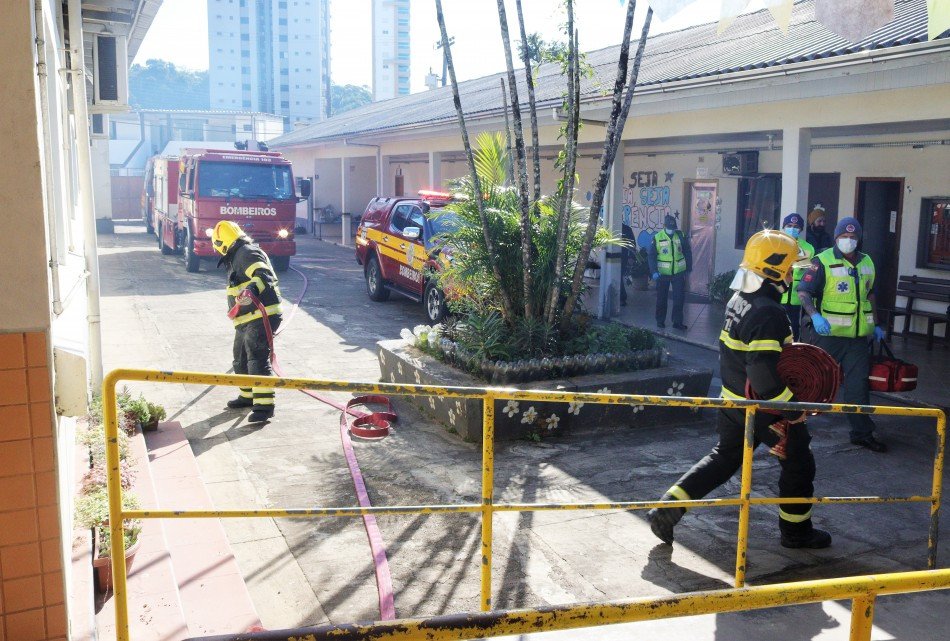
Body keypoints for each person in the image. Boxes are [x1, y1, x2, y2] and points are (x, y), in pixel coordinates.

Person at [647, 230, 831, 550]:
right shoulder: (769, 312)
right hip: (763, 408)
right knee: (799, 462)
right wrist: (792, 410)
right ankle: (797, 532)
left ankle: (668, 506)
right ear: (772, 268)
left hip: (733, 402)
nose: (792, 274)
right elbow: (762, 373)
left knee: (725, 458)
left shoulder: (740, 299)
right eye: (788, 267)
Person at [797, 217, 888, 452]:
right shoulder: (822, 261)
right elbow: (804, 292)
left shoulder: (867, 262)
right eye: (844, 237)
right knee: (814, 380)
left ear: (858, 239)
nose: (848, 241)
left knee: (858, 386)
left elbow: (870, 294)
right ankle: (792, 426)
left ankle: (862, 432)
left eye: (853, 237)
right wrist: (815, 316)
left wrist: (876, 324)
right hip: (828, 335)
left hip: (857, 338)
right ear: (836, 238)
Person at [212, 220, 283, 423]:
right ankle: (248, 396)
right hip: (246, 318)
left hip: (262, 316)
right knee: (240, 357)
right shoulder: (237, 256)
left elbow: (264, 274)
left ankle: (264, 405)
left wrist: (251, 290)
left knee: (257, 357)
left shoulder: (247, 252)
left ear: (222, 243)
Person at [648, 214, 692, 330]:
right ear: (664, 226)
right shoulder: (657, 237)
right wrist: (653, 271)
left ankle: (677, 322)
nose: (672, 230)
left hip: (678, 273)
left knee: (679, 298)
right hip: (662, 274)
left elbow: (687, 251)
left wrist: (688, 267)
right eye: (669, 228)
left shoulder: (680, 235)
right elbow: (651, 256)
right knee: (661, 299)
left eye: (673, 228)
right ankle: (660, 321)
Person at [779, 213, 815, 340]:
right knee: (776, 326)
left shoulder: (807, 247)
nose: (792, 228)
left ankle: (793, 356)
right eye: (789, 225)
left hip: (797, 297)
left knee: (795, 329)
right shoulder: (776, 244)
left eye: (796, 226)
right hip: (778, 294)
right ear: (784, 227)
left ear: (800, 229)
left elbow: (806, 269)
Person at [620, 222, 635, 307]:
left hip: (623, 257)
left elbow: (632, 244)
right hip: (610, 256)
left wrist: (631, 257)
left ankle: (622, 298)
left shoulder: (627, 229)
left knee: (619, 276)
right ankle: (621, 297)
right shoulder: (609, 227)